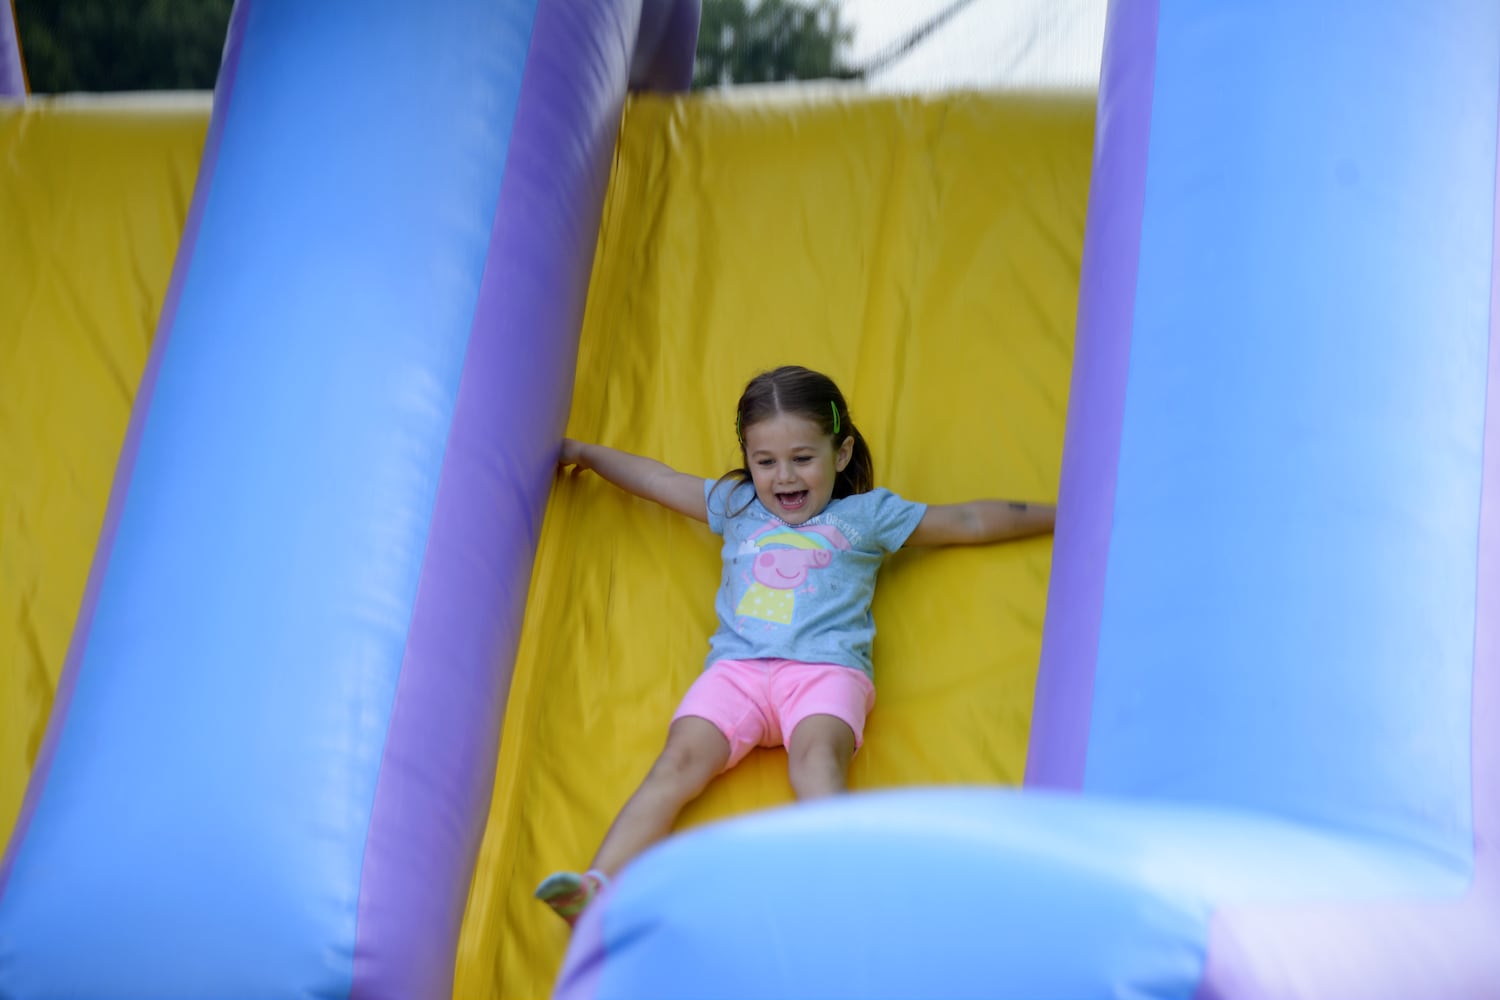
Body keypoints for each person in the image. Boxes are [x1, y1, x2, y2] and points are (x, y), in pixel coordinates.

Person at [535, 365, 1056, 926]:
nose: (784, 477)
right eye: (766, 462)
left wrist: (1064, 515)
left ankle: (841, 892)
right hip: (735, 673)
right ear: (748, 459)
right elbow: (659, 481)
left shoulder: (865, 517)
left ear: (841, 451)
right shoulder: (737, 506)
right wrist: (585, 453)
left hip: (823, 673)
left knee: (815, 763)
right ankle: (596, 886)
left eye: (803, 458)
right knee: (677, 761)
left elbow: (970, 520)